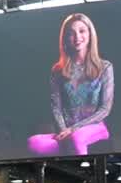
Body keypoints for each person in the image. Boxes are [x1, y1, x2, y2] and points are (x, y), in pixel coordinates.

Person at [27, 13, 114, 157]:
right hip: (66, 131)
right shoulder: (58, 70)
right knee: (33, 142)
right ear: (65, 39)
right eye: (71, 33)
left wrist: (74, 129)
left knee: (76, 138)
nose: (77, 37)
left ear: (90, 34)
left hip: (94, 127)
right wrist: (63, 130)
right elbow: (56, 107)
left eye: (82, 31)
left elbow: (105, 109)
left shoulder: (105, 67)